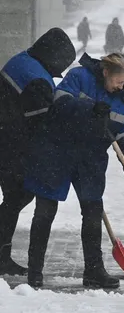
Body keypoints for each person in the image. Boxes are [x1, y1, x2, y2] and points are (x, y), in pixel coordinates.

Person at [24, 52, 124, 289]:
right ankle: (35, 271)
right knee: (45, 211)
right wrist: (90, 108)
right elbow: (60, 103)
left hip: (91, 159)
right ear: (106, 72)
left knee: (92, 212)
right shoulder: (79, 77)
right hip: (57, 151)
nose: (120, 87)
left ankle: (93, 271)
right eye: (118, 81)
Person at [0, 28, 76, 276]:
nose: (61, 72)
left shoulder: (21, 60)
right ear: (53, 56)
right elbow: (40, 125)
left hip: (6, 138)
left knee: (15, 198)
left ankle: (2, 253)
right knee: (17, 197)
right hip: (11, 145)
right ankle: (1, 255)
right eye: (62, 64)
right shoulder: (38, 80)